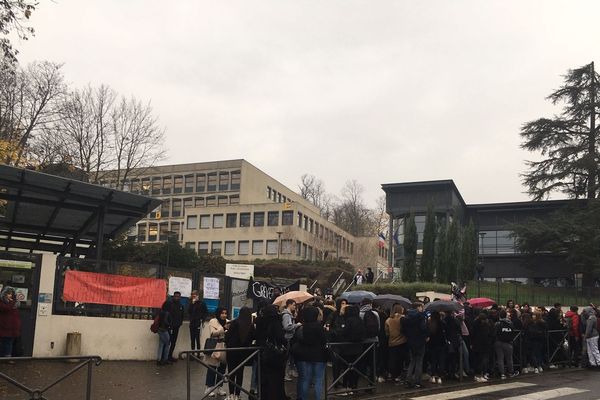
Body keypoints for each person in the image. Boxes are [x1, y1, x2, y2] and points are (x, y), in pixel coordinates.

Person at [292, 305, 327, 400]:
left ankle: (302, 398)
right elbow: (324, 341)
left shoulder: (301, 328)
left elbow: (295, 340)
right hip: (319, 356)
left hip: (303, 356)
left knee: (304, 379)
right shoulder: (319, 328)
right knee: (318, 380)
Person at [256, 304, 287, 400]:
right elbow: (280, 337)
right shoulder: (276, 321)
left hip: (263, 354)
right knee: (276, 380)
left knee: (264, 380)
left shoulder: (260, 321)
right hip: (275, 355)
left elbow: (257, 336)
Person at [225, 306, 255, 400]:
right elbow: (253, 337)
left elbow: (227, 337)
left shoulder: (234, 323)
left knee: (231, 373)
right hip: (243, 353)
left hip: (232, 352)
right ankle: (237, 394)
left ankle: (231, 395)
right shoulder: (250, 325)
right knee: (240, 374)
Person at [338, 304, 366, 395]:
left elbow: (345, 332)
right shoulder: (360, 320)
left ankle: (345, 387)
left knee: (347, 368)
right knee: (355, 368)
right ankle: (354, 386)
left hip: (348, 348)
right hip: (358, 348)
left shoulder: (349, 321)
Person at [403, 302, 428, 389]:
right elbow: (423, 328)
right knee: (419, 361)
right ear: (418, 307)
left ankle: (408, 379)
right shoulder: (421, 316)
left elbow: (404, 330)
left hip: (410, 342)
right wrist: (426, 336)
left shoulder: (407, 317)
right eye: (422, 306)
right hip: (420, 341)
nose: (422, 308)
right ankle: (417, 381)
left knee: (412, 361)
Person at [205, 307, 228, 397]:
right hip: (215, 346)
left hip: (224, 346)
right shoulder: (213, 321)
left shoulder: (228, 321)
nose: (224, 315)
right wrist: (223, 328)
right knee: (212, 368)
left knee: (222, 368)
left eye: (225, 313)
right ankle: (209, 388)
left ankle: (219, 387)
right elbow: (213, 333)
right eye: (222, 313)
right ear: (218, 313)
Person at [494, 310, 519, 379]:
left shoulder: (497, 324)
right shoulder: (510, 323)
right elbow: (513, 333)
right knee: (509, 359)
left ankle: (502, 374)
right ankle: (511, 372)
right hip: (508, 343)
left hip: (498, 342)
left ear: (499, 316)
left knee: (500, 358)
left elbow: (494, 333)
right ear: (506, 315)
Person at [385, 304, 407, 383]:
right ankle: (398, 376)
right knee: (400, 360)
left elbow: (387, 332)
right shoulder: (403, 318)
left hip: (391, 342)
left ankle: (391, 374)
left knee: (392, 359)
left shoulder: (388, 320)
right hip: (402, 341)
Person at [471, 312, 493, 382]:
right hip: (481, 345)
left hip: (477, 345)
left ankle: (477, 375)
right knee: (480, 361)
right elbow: (486, 335)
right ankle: (479, 375)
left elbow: (473, 335)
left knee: (478, 361)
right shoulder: (484, 326)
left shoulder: (475, 324)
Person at [282, 299, 301, 381]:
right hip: (288, 337)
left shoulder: (289, 315)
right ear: (289, 305)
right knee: (287, 357)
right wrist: (296, 325)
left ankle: (290, 371)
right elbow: (287, 327)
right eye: (293, 305)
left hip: (290, 337)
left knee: (290, 356)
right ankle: (286, 374)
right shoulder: (286, 315)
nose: (294, 306)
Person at [0, 287, 21, 358]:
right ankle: (5, 357)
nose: (10, 295)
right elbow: (6, 308)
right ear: (4, 294)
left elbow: (16, 316)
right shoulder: (2, 303)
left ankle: (7, 357)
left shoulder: (14, 304)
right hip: (4, 326)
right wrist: (12, 302)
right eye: (8, 294)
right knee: (5, 342)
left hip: (12, 327)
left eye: (11, 294)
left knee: (10, 342)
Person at [426, 310, 446, 384]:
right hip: (441, 344)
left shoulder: (430, 324)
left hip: (432, 344)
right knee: (441, 361)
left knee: (433, 361)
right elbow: (444, 334)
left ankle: (433, 376)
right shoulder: (442, 323)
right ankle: (440, 377)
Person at [167, 291, 185, 362]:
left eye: (178, 297)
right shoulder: (170, 304)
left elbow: (182, 316)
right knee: (167, 341)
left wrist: (180, 323)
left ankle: (170, 356)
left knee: (173, 342)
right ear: (173, 296)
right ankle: (165, 356)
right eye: (175, 296)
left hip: (176, 326)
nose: (176, 298)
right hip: (169, 326)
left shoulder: (181, 306)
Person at [155, 301, 172, 366]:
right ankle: (165, 359)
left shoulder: (160, 312)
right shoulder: (167, 313)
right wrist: (170, 325)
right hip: (164, 330)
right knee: (167, 344)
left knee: (161, 344)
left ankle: (159, 360)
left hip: (159, 329)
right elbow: (166, 321)